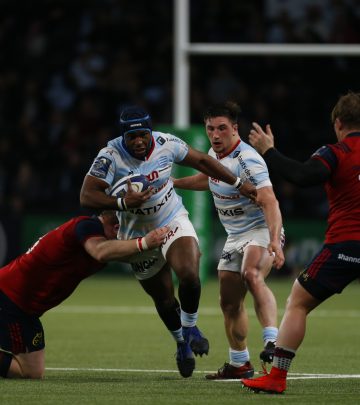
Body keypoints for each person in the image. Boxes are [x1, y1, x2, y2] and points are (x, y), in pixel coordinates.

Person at [79, 105, 256, 378]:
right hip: (137, 235)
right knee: (163, 300)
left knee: (189, 273)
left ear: (151, 132)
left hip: (171, 219)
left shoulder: (166, 143)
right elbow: (87, 195)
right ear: (123, 137)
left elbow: (202, 162)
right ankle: (181, 342)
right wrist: (123, 202)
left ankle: (190, 328)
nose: (138, 141)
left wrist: (237, 183)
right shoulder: (110, 156)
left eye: (143, 135)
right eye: (132, 137)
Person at [241, 91, 360, 394]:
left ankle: (277, 377)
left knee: (298, 302)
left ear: (338, 123)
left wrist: (269, 151)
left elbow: (304, 175)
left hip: (346, 243)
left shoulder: (338, 151)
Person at [172, 101, 285, 380]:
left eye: (222, 128)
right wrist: (173, 183)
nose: (215, 135)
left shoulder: (248, 160)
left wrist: (274, 241)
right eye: (210, 129)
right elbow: (208, 180)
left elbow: (270, 201)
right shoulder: (214, 154)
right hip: (234, 236)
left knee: (252, 274)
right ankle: (240, 364)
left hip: (260, 231)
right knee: (229, 302)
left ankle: (273, 341)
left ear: (235, 129)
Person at [0, 210, 168, 379]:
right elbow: (100, 251)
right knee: (28, 373)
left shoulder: (100, 238)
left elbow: (130, 255)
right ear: (117, 227)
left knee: (31, 372)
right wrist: (144, 242)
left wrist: (168, 245)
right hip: (9, 298)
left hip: (25, 310)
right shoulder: (87, 226)